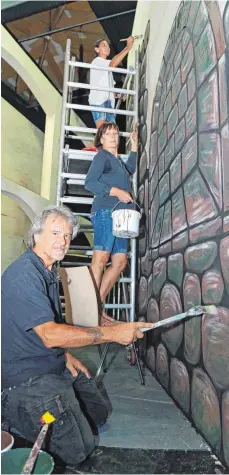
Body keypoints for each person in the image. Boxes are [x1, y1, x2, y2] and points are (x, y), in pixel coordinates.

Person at [1, 205, 153, 469]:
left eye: (67, 235)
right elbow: (49, 335)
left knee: (100, 413)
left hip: (50, 363)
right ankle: (12, 419)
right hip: (25, 380)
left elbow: (42, 328)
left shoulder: (47, 271)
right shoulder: (24, 275)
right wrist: (111, 334)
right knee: (79, 450)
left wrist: (66, 355)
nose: (63, 241)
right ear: (36, 236)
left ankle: (56, 405)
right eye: (55, 233)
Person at [84, 123, 137, 323]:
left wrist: (134, 146)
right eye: (108, 134)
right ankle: (89, 308)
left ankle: (97, 305)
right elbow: (89, 182)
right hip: (106, 211)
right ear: (101, 139)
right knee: (100, 259)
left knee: (120, 262)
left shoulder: (118, 162)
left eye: (116, 133)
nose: (113, 136)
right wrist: (117, 192)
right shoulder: (102, 156)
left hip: (121, 216)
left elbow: (130, 168)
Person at [89, 37, 134, 128]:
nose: (107, 47)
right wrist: (127, 48)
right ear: (97, 49)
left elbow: (108, 89)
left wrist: (117, 95)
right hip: (99, 102)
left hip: (108, 103)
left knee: (110, 133)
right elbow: (113, 64)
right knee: (104, 134)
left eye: (108, 46)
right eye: (104, 45)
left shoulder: (106, 69)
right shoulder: (97, 61)